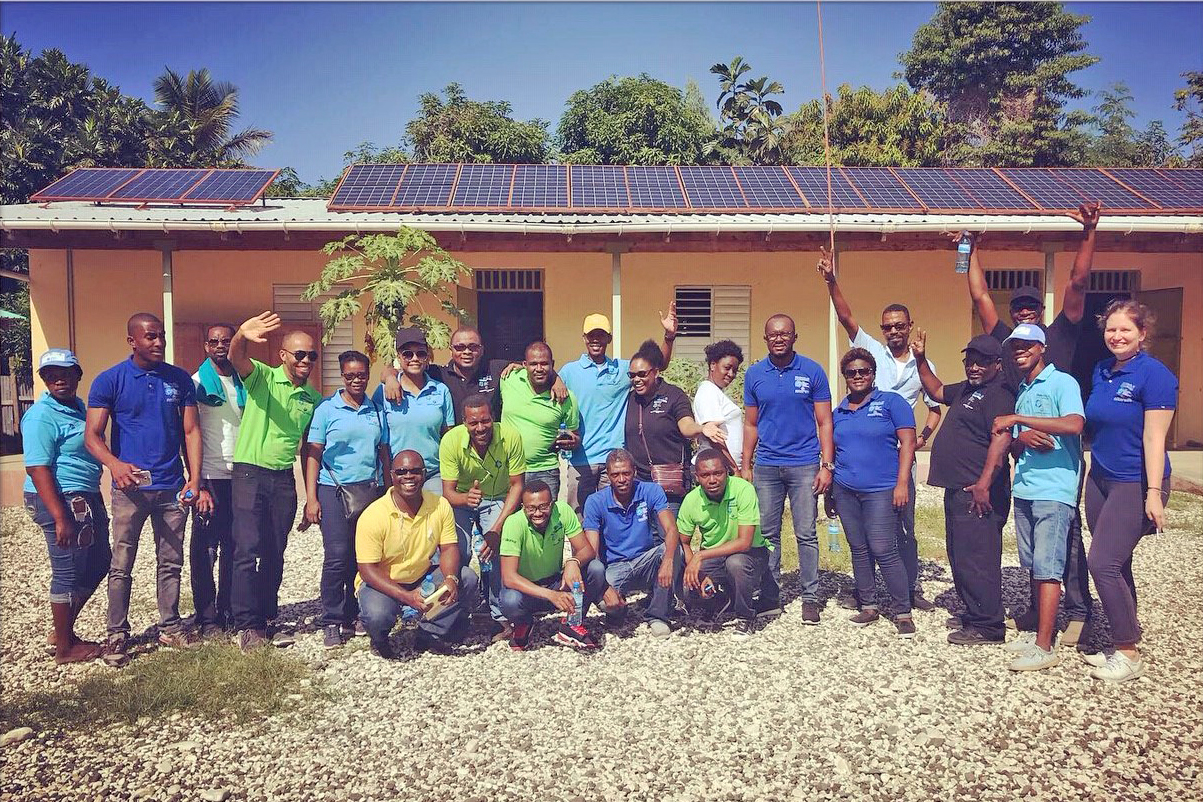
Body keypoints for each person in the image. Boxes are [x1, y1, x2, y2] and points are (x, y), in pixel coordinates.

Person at [966, 202, 1101, 647]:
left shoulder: (1058, 335)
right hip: (1023, 456)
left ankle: (1077, 611)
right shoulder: (1009, 345)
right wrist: (971, 247)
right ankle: (1037, 605)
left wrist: (1088, 233)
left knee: (1066, 535)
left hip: (1059, 455)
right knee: (1030, 543)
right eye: (1018, 307)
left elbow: (1077, 283)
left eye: (1030, 307)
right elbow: (981, 297)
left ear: (1040, 315)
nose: (1023, 312)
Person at [818, 250, 942, 611]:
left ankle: (908, 587)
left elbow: (935, 407)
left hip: (898, 458)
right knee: (866, 534)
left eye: (899, 326)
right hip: (867, 452)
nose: (893, 331)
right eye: (887, 326)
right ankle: (868, 590)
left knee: (903, 528)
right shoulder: (870, 351)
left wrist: (922, 438)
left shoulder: (924, 363)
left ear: (909, 325)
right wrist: (830, 279)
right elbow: (845, 316)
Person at [86, 313, 202, 666]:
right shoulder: (110, 380)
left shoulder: (179, 379)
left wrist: (194, 479)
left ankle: (170, 626)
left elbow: (191, 432)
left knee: (171, 561)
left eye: (161, 336)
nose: (158, 342)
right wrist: (115, 465)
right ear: (132, 341)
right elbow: (92, 436)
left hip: (171, 488)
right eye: (150, 337)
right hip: (130, 490)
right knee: (121, 563)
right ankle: (117, 633)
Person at [1080, 300, 1177, 682]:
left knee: (1100, 563)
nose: (1117, 336)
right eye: (1111, 330)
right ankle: (1125, 633)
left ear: (1143, 334)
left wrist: (1153, 492)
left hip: (1134, 483)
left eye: (1126, 330)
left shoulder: (1156, 375)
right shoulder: (1102, 370)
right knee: (1117, 563)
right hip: (1100, 479)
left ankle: (1127, 651)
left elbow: (1155, 438)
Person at [226, 311, 323, 652]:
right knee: (247, 551)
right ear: (283, 356)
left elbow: (311, 448)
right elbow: (236, 357)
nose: (306, 360)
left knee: (275, 552)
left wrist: (311, 496)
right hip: (250, 474)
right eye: (300, 354)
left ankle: (267, 619)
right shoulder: (263, 378)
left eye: (312, 355)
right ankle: (246, 625)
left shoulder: (312, 399)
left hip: (283, 480)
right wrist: (241, 335)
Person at [990, 323, 1084, 672]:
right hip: (1026, 487)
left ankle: (1045, 647)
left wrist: (1019, 419)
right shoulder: (1024, 388)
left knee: (1048, 569)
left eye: (1027, 345)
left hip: (1054, 489)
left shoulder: (1062, 383)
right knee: (1033, 564)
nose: (1020, 351)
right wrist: (1021, 437)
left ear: (1042, 347)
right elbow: (1016, 441)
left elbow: (1075, 424)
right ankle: (1037, 631)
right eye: (1014, 346)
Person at [912, 332, 1016, 645]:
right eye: (970, 361)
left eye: (982, 362)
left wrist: (985, 484)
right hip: (958, 488)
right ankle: (975, 614)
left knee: (978, 558)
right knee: (961, 555)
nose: (974, 367)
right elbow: (936, 389)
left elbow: (1001, 440)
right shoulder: (969, 389)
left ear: (997, 364)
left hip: (978, 492)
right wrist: (920, 357)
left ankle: (989, 626)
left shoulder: (999, 393)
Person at [741, 314, 834, 623]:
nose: (778, 338)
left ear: (795, 337)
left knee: (806, 532)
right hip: (767, 465)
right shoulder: (755, 375)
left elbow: (825, 422)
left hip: (805, 463)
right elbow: (751, 424)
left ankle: (810, 597)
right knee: (768, 534)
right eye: (772, 335)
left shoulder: (812, 371)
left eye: (785, 334)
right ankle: (770, 596)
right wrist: (746, 465)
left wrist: (827, 465)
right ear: (765, 339)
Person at [23, 349, 111, 663]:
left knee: (100, 561)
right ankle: (64, 647)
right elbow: (37, 468)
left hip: (84, 497)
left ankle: (64, 629)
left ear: (78, 376)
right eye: (51, 374)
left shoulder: (78, 408)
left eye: (66, 373)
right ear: (44, 379)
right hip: (58, 499)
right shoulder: (40, 415)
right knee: (68, 570)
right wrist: (60, 516)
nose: (59, 379)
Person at [827, 348, 918, 639]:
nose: (857, 377)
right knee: (859, 548)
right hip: (845, 489)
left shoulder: (891, 403)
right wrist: (829, 493)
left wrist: (902, 483)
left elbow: (908, 444)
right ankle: (868, 604)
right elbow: (833, 452)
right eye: (851, 373)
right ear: (845, 377)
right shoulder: (838, 412)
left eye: (863, 371)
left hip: (882, 489)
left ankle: (902, 610)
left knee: (883, 548)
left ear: (873, 373)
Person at [355, 450, 479, 659]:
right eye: (402, 472)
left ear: (424, 474)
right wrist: (406, 597)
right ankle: (380, 639)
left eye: (414, 471)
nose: (408, 476)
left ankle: (429, 632)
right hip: (383, 582)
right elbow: (367, 571)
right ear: (392, 476)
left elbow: (449, 548)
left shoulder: (439, 505)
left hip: (422, 577)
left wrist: (450, 578)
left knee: (466, 578)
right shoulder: (373, 515)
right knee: (378, 614)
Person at [304, 350, 390, 649]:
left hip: (369, 490)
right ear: (342, 376)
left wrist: (389, 490)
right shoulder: (327, 409)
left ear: (368, 375)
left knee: (361, 555)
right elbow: (313, 453)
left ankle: (354, 614)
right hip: (334, 490)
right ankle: (331, 619)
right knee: (337, 556)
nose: (356, 380)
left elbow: (383, 452)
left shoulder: (375, 409)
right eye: (350, 375)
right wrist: (311, 498)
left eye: (361, 375)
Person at [559, 306, 677, 512]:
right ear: (584, 338)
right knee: (579, 518)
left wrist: (668, 336)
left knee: (613, 515)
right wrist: (517, 367)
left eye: (601, 335)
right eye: (591, 335)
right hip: (581, 460)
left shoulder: (623, 370)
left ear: (609, 339)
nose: (596, 340)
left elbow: (659, 365)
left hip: (613, 461)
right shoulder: (569, 371)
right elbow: (540, 378)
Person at [439, 393, 526, 633]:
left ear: (493, 418)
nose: (480, 428)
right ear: (464, 423)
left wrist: (496, 529)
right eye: (473, 423)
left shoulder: (511, 436)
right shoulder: (450, 441)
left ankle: (499, 615)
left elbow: (517, 484)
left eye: (485, 421)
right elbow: (447, 492)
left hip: (497, 497)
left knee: (499, 550)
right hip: (461, 499)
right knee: (457, 552)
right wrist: (465, 498)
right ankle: (456, 612)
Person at [624, 339, 725, 532]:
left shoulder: (673, 395)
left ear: (656, 372)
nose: (636, 379)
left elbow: (685, 425)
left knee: (668, 537)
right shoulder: (630, 399)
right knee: (645, 540)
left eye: (642, 374)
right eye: (632, 375)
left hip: (668, 484)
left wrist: (701, 429)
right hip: (639, 484)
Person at [582, 448, 683, 638]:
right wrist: (604, 588)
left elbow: (671, 529)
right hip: (615, 567)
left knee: (673, 550)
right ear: (609, 476)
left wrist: (668, 560)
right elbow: (592, 551)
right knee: (606, 603)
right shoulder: (595, 501)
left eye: (626, 473)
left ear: (634, 472)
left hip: (645, 559)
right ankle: (619, 611)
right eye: (615, 474)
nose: (622, 479)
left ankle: (658, 615)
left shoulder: (651, 490)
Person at [677, 450, 772, 640]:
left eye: (717, 473)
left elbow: (744, 542)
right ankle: (721, 600)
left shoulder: (743, 489)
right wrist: (700, 573)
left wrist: (700, 556)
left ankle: (745, 616)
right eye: (705, 475)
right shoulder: (691, 500)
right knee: (688, 585)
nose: (712, 480)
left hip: (751, 553)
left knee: (735, 564)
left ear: (727, 472)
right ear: (697, 477)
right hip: (715, 555)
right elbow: (683, 542)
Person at [499, 480, 605, 650]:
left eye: (543, 507)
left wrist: (573, 561)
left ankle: (572, 622)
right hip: (527, 590)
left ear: (552, 503)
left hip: (556, 581)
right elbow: (509, 577)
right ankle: (524, 623)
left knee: (596, 569)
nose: (538, 513)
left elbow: (587, 549)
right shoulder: (513, 523)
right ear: (522, 506)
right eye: (531, 508)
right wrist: (550, 595)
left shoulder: (562, 511)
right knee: (509, 600)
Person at [190, 323, 244, 637]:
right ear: (206, 345)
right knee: (204, 550)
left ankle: (227, 611)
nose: (221, 345)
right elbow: (187, 435)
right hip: (210, 476)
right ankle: (206, 618)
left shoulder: (245, 381)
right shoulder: (196, 384)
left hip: (240, 476)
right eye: (214, 341)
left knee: (235, 548)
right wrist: (197, 484)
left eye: (226, 340)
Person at [373, 328, 454, 495]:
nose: (415, 359)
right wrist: (389, 483)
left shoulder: (441, 390)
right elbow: (382, 444)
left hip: (433, 473)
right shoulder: (384, 392)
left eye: (421, 354)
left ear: (428, 356)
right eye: (408, 354)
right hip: (399, 474)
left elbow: (448, 436)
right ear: (399, 357)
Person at [500, 341, 581, 501]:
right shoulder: (508, 379)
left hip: (545, 471)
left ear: (553, 365)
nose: (539, 369)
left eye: (544, 364)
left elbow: (575, 435)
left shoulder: (566, 397)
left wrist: (572, 441)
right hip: (507, 468)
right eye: (533, 364)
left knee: (543, 521)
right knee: (509, 522)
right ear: (524, 364)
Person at [691, 340, 744, 473]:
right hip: (716, 471)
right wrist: (734, 469)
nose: (731, 374)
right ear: (713, 365)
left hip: (723, 469)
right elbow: (714, 437)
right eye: (727, 368)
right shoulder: (708, 391)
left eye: (735, 370)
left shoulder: (716, 392)